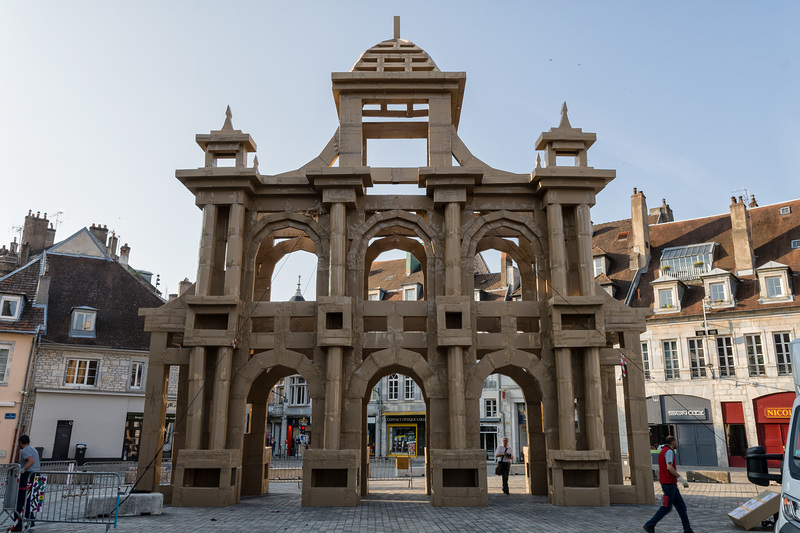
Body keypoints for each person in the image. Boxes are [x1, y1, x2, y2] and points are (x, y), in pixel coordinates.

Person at [644, 435, 694, 533]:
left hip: (669, 484)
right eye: (676, 441)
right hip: (669, 485)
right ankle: (649, 524)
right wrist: (681, 478)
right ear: (673, 442)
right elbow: (669, 467)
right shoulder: (669, 452)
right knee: (666, 507)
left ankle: (687, 530)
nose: (677, 443)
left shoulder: (663, 451)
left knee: (681, 507)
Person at [11, 435, 40, 532]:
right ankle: (30, 520)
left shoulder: (24, 451)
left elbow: (31, 461)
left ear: (20, 442)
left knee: (20, 500)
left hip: (27, 477)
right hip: (35, 476)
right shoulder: (33, 449)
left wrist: (22, 470)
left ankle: (17, 525)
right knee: (29, 499)